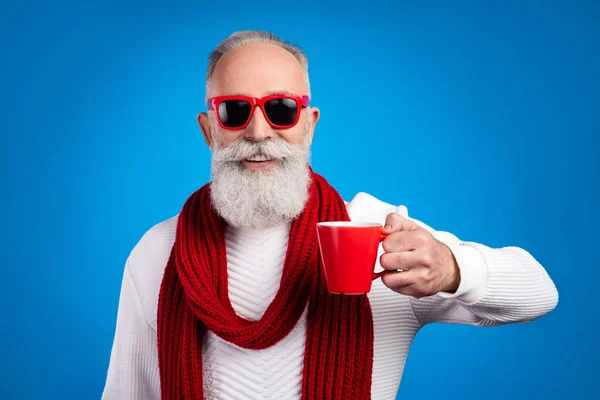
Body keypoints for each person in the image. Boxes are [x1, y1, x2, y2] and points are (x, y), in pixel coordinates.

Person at [101, 30, 559, 400]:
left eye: (281, 110)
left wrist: (451, 268)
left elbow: (540, 293)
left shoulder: (376, 236)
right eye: (235, 111)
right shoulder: (159, 251)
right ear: (208, 129)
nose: (259, 131)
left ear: (309, 124)